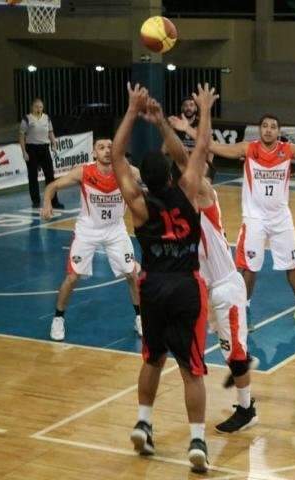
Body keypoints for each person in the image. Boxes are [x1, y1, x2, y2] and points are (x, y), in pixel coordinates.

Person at [171, 114, 295, 330]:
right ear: (259, 129)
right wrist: (188, 130)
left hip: (281, 218)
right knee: (251, 268)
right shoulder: (248, 149)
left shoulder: (287, 150)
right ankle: (244, 309)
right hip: (254, 219)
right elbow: (213, 146)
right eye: (264, 126)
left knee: (292, 264)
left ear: (278, 131)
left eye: (273, 127)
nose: (268, 130)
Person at [111, 82, 216, 473]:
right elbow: (201, 147)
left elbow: (118, 153)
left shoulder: (138, 203)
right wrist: (203, 109)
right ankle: (198, 441)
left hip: (151, 286)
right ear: (172, 177)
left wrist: (132, 110)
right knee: (192, 370)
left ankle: (143, 420)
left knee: (152, 358)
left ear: (145, 179)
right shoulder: (188, 192)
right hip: (186, 286)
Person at [148, 96, 259, 433]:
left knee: (235, 354)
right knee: (224, 352)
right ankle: (240, 363)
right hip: (201, 291)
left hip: (224, 286)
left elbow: (185, 156)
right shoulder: (172, 203)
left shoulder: (204, 193)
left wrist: (165, 124)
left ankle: (247, 408)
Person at [41, 139, 141, 341]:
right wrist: (46, 202)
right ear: (94, 153)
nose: (106, 151)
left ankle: (140, 317)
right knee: (72, 277)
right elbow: (52, 186)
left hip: (115, 230)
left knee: (132, 274)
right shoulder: (83, 172)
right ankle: (58, 319)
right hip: (88, 230)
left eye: (110, 147)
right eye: (101, 147)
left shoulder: (129, 171)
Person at [20, 98, 64, 209]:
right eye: (36, 107)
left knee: (50, 176)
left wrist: (54, 144)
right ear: (32, 107)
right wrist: (24, 151)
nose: (39, 109)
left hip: (44, 149)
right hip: (32, 149)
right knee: (33, 176)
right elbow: (21, 136)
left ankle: (54, 201)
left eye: (40, 107)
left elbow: (51, 132)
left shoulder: (47, 118)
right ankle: (36, 201)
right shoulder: (26, 119)